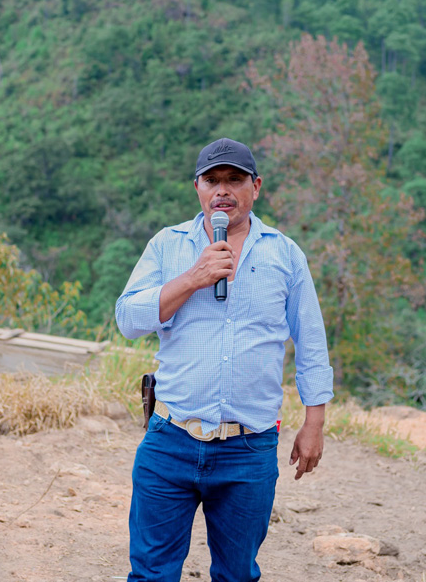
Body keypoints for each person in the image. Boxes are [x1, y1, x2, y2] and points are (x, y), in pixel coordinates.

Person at [115, 137, 334, 582]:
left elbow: (311, 342)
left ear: (256, 187)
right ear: (197, 187)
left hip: (248, 449)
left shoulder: (285, 254)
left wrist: (314, 423)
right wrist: (192, 278)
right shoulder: (167, 245)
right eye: (212, 180)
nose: (222, 191)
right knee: (152, 574)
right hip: (170, 440)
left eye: (234, 180)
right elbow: (128, 320)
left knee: (237, 575)